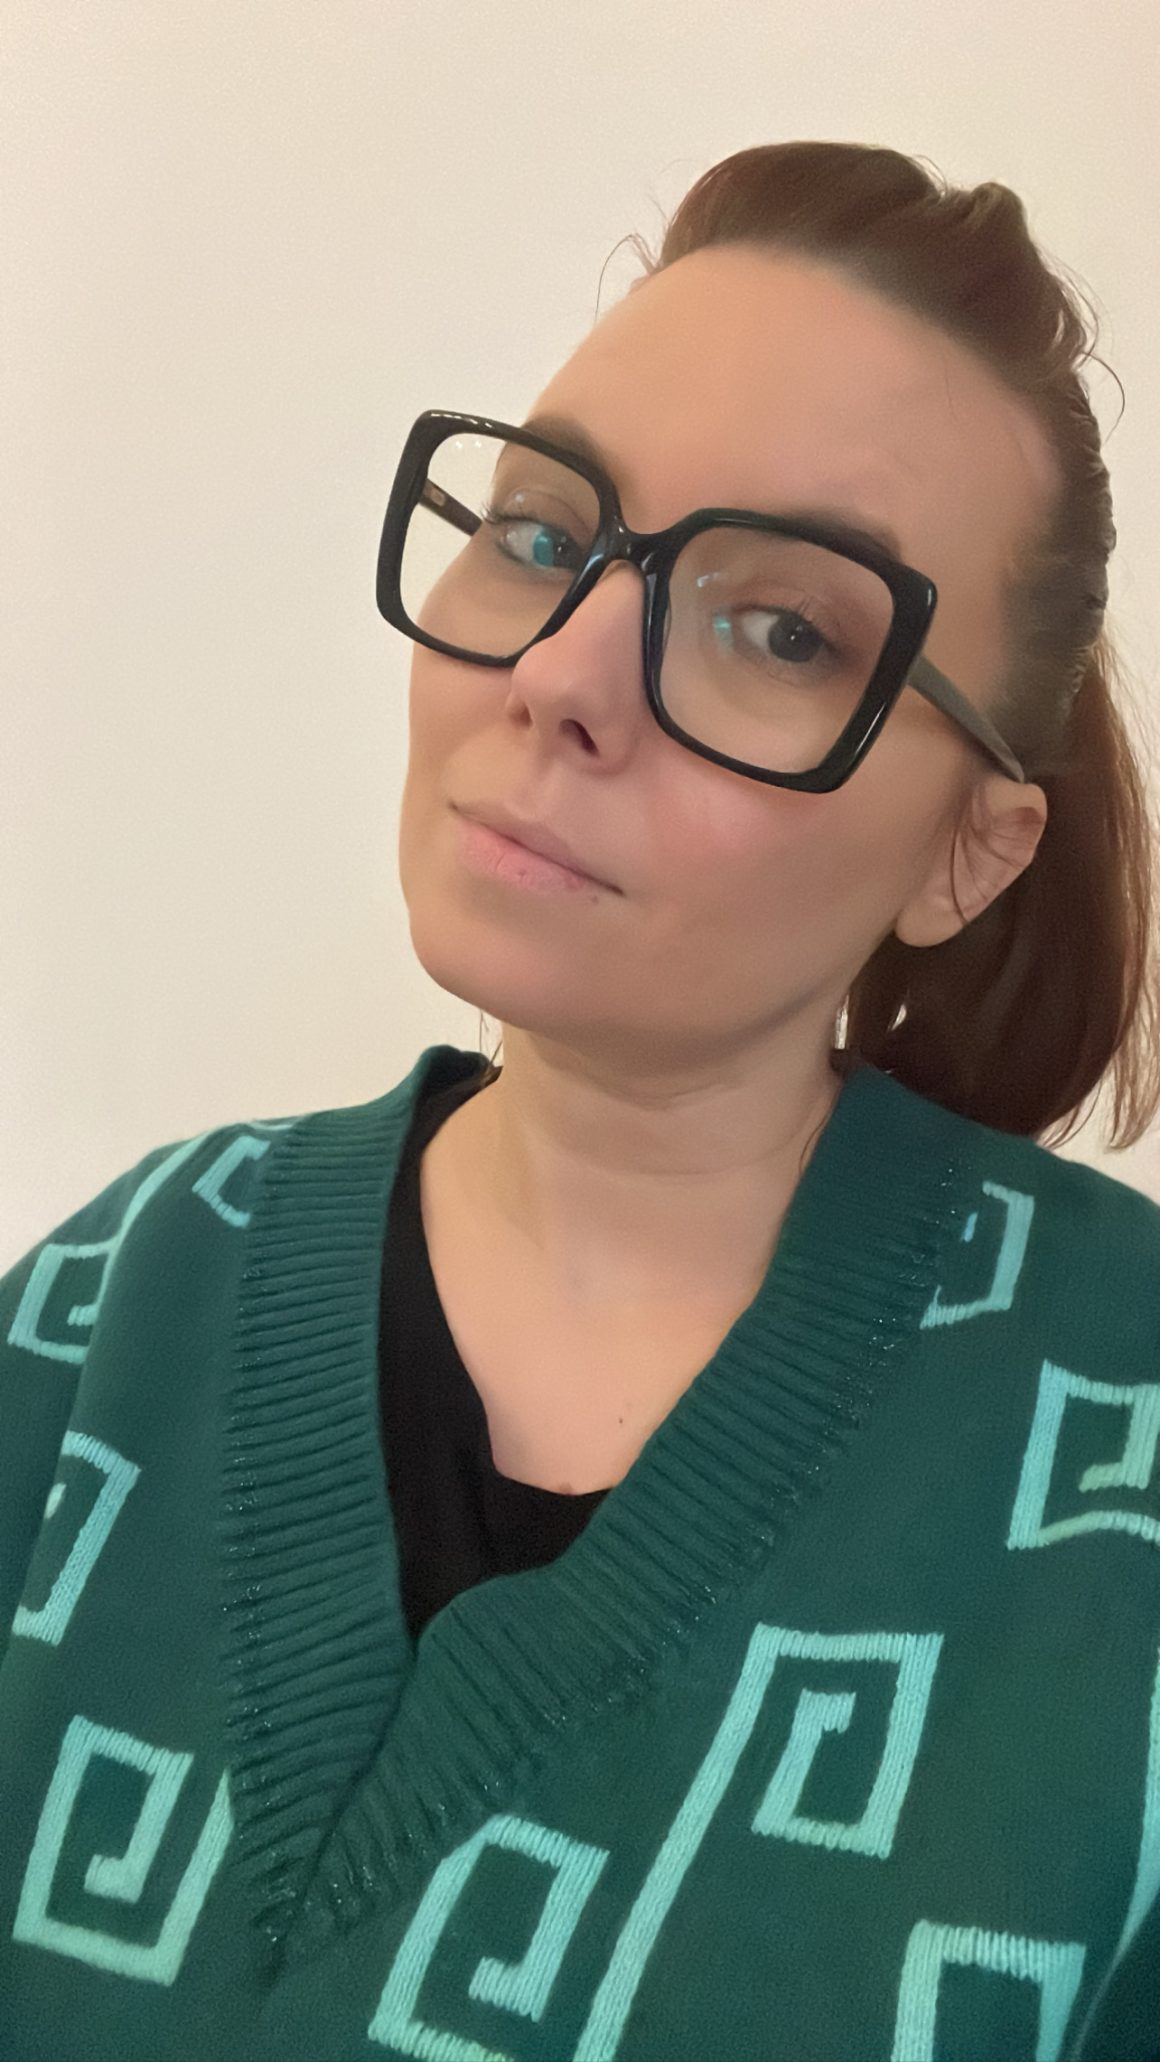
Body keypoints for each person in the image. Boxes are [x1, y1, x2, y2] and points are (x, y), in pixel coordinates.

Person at [2, 140, 1159, 2062]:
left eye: (781, 629)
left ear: (971, 847)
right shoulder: (110, 1305)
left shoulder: (1122, 1428)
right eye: (544, 534)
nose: (557, 674)